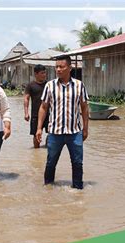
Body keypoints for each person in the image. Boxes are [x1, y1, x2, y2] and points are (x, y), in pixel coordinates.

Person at [36, 55, 89, 190]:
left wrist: (85, 128)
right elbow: (43, 107)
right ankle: (48, 189)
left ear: (69, 68)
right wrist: (39, 128)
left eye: (61, 67)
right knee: (50, 162)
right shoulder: (50, 86)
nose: (58, 70)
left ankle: (78, 190)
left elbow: (84, 107)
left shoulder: (79, 85)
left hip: (74, 132)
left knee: (77, 163)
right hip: (55, 133)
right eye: (57, 67)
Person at [24, 64, 49, 148]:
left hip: (49, 113)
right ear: (36, 74)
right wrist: (26, 113)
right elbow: (26, 99)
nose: (44, 75)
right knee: (36, 135)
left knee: (52, 134)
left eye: (45, 73)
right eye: (42, 73)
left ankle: (47, 148)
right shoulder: (30, 85)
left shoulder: (48, 85)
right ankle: (36, 152)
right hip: (35, 114)